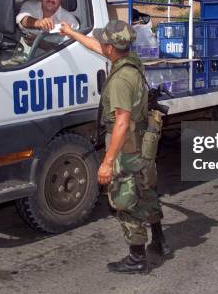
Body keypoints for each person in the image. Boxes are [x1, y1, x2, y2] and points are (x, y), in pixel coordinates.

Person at [60, 19, 171, 274]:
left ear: (111, 48)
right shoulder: (131, 62)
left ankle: (137, 257)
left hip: (127, 146)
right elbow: (95, 46)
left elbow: (121, 123)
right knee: (146, 190)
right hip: (142, 142)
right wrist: (70, 32)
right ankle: (160, 241)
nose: (101, 44)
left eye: (104, 42)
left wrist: (108, 162)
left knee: (126, 198)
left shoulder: (121, 79)